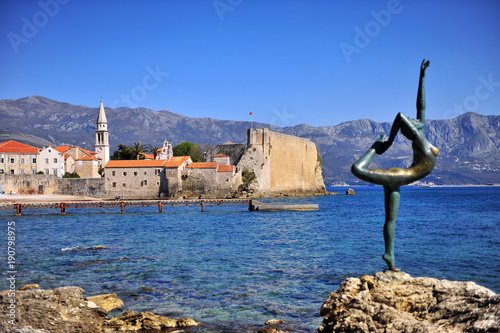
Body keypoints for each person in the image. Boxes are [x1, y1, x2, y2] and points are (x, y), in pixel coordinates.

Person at [351, 59, 439, 271]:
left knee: (391, 220)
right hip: (398, 176)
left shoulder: (422, 135)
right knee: (357, 169)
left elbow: (421, 105)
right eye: (411, 121)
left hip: (399, 178)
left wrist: (422, 76)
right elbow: (400, 117)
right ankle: (373, 148)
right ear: (411, 129)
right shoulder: (419, 140)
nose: (411, 117)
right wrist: (386, 143)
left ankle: (389, 254)